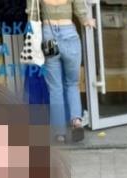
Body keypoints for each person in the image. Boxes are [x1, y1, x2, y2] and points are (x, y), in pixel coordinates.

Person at [35, 0, 93, 142]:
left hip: (49, 35)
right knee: (72, 83)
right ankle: (76, 121)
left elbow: (33, 15)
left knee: (55, 88)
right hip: (69, 35)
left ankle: (59, 133)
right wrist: (87, 20)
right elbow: (80, 10)